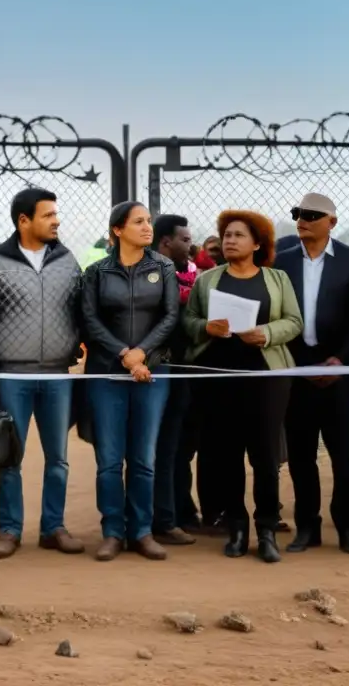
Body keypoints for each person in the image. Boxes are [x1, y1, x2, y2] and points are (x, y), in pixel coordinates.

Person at [185, 210, 302, 563]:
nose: (230, 240)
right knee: (226, 457)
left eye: (238, 235)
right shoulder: (208, 280)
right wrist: (207, 327)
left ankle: (266, 528)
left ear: (257, 243)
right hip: (219, 380)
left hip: (266, 380)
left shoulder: (277, 279)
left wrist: (265, 334)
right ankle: (237, 527)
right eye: (226, 235)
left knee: (266, 458)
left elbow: (294, 322)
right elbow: (187, 320)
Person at [0, 188, 85, 559]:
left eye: (56, 214)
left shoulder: (68, 260)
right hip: (11, 377)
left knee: (59, 458)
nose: (56, 220)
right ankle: (10, 530)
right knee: (10, 458)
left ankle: (54, 528)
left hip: (58, 375)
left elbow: (79, 313)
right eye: (48, 215)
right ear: (24, 220)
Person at [274, 193, 349, 554]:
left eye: (312, 215)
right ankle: (307, 528)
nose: (302, 219)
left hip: (337, 373)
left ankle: (347, 528)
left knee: (342, 455)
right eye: (298, 213)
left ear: (331, 222)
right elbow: (275, 318)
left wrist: (341, 361)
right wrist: (295, 365)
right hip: (296, 372)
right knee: (301, 456)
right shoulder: (281, 263)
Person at [81, 201, 178, 562]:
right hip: (107, 373)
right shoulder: (96, 272)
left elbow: (170, 317)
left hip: (152, 373)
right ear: (117, 230)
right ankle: (112, 532)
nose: (147, 227)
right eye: (138, 222)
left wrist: (142, 354)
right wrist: (124, 354)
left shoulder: (163, 266)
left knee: (143, 458)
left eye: (149, 221)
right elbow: (90, 321)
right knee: (109, 459)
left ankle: (141, 531)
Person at [149, 213, 197, 545]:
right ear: (166, 241)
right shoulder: (149, 277)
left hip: (179, 373)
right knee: (154, 449)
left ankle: (175, 512)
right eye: (185, 240)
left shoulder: (186, 277)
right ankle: (158, 519)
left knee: (175, 448)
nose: (190, 247)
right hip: (149, 371)